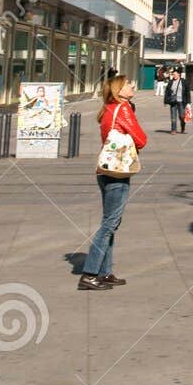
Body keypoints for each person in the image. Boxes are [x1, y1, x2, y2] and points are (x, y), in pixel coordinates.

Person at [80, 74, 146, 290]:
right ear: (119, 89)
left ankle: (105, 272)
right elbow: (141, 139)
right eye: (128, 84)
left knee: (111, 222)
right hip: (118, 172)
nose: (132, 85)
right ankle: (90, 274)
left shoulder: (107, 109)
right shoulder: (123, 109)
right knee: (109, 224)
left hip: (104, 169)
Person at [164, 65, 191, 134]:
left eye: (175, 74)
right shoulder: (171, 82)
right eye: (173, 74)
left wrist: (188, 102)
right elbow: (167, 91)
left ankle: (183, 126)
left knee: (182, 116)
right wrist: (166, 100)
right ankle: (174, 130)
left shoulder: (184, 82)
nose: (174, 75)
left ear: (179, 74)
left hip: (182, 102)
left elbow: (187, 92)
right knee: (173, 117)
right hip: (173, 101)